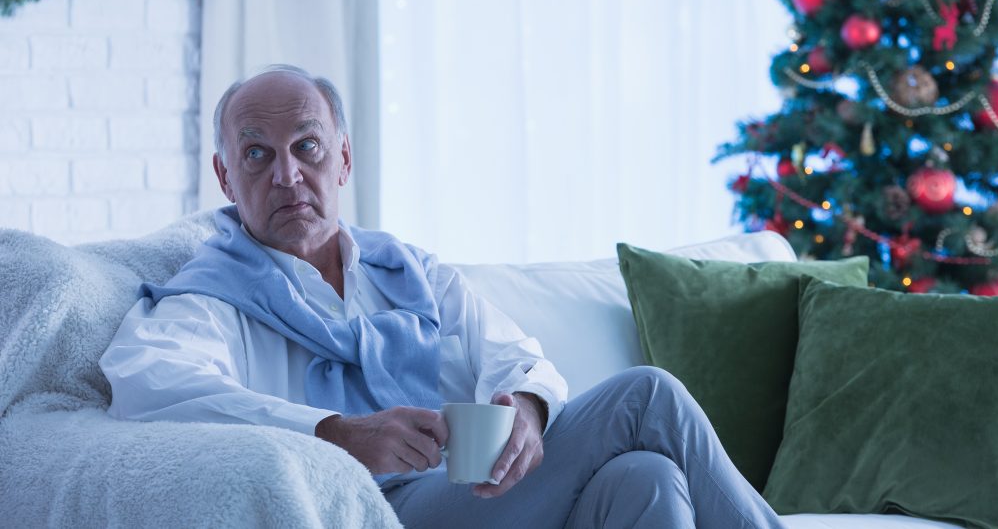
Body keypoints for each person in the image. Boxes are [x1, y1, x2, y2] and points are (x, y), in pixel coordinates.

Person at [100, 64, 783, 529]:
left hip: (466, 494)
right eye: (256, 155)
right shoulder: (207, 295)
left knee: (647, 478)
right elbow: (147, 384)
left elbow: (515, 355)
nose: (286, 174)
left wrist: (527, 409)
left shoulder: (410, 271)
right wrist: (336, 434)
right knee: (647, 396)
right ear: (225, 175)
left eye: (306, 147)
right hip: (369, 510)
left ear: (341, 159)